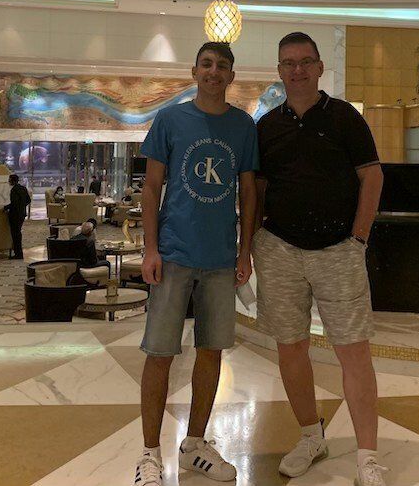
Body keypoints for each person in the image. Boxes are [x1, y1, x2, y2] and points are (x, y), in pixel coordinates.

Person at [254, 31, 387, 486]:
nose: (297, 70)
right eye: (289, 63)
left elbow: (372, 177)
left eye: (305, 62)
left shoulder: (345, 117)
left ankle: (368, 457)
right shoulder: (266, 127)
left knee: (354, 351)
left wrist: (358, 238)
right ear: (279, 70)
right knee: (290, 347)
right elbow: (257, 190)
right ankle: (311, 437)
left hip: (338, 250)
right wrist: (251, 243)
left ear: (319, 68)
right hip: (279, 249)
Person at [133, 41, 258, 486]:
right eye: (206, 64)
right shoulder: (170, 120)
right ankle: (150, 454)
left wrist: (244, 252)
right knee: (159, 353)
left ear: (231, 76)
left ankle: (194, 445)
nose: (213, 71)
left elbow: (248, 192)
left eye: (222, 66)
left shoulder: (243, 126)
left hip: (220, 259)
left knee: (212, 351)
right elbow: (151, 187)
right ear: (194, 71)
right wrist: (150, 249)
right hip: (174, 254)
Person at [4, 173, 31, 260]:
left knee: (15, 235)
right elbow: (28, 200)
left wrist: (5, 208)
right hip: (22, 214)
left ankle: (18, 254)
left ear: (12, 181)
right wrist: (22, 206)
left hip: (15, 215)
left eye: (9, 180)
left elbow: (14, 204)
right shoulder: (23, 188)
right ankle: (19, 253)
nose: (9, 181)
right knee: (18, 233)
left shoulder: (14, 190)